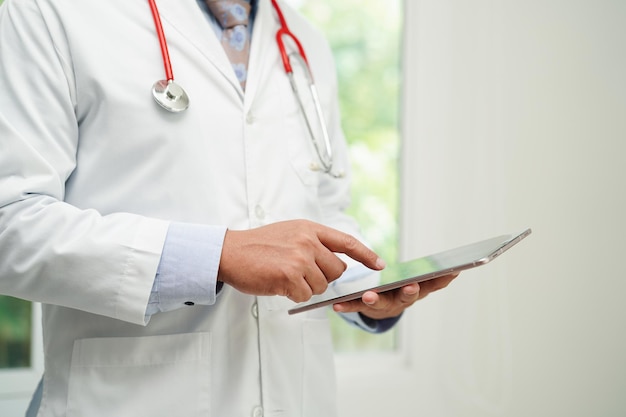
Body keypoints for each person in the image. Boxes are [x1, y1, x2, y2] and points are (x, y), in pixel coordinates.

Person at [0, 0, 456, 416]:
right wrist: (217, 255)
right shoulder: (50, 11)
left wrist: (365, 288)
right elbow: (12, 222)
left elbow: (326, 208)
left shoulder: (302, 41)